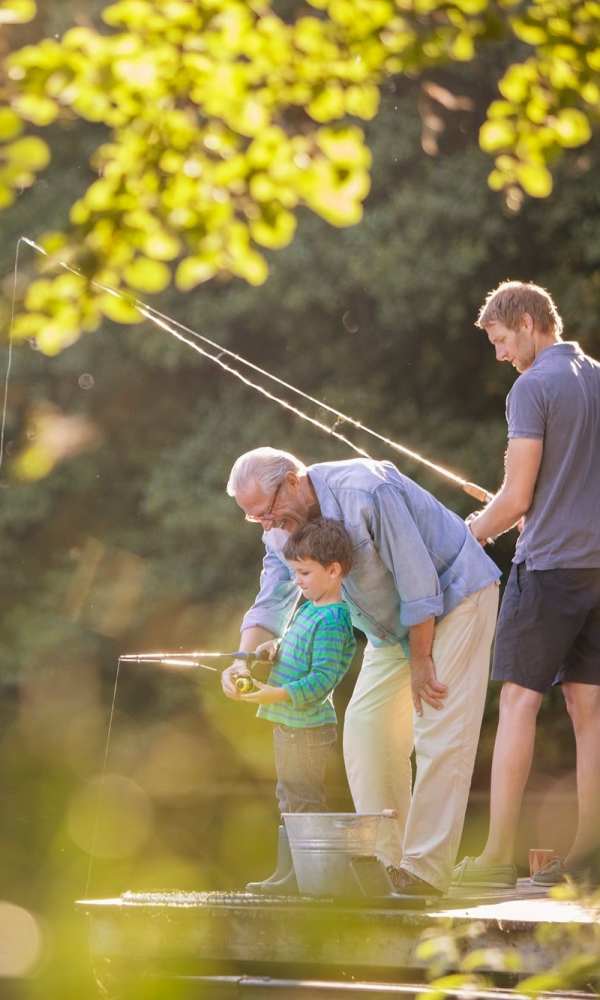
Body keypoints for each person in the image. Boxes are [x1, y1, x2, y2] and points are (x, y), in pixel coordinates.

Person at [222, 446, 500, 896]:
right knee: (367, 729)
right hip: (390, 626)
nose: (268, 524)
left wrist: (422, 659)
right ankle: (388, 864)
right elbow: (273, 591)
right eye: (255, 519)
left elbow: (417, 580)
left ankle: (424, 871)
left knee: (439, 727)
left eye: (268, 511)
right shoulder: (279, 528)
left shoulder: (366, 490)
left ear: (293, 479)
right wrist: (242, 659)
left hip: (454, 597)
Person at [453, 281, 600, 889]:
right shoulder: (595, 376)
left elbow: (514, 499)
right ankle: (589, 858)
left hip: (547, 571)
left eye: (499, 338)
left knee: (518, 703)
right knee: (591, 711)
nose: (498, 353)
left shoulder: (531, 387)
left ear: (527, 321)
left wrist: (472, 533)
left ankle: (492, 860)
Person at [238, 518, 356, 894]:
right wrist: (272, 649)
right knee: (288, 798)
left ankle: (308, 879)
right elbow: (296, 651)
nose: (299, 581)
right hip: (288, 726)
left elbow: (322, 679)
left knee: (305, 801)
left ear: (334, 571)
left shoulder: (334, 619)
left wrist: (276, 693)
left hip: (308, 730)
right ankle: (286, 874)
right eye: (295, 572)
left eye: (304, 573)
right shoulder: (308, 608)